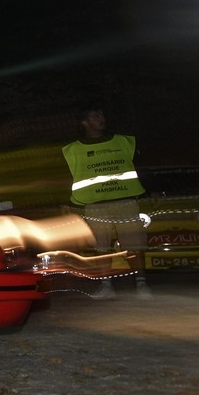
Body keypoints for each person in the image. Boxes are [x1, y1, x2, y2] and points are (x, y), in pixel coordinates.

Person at [62, 107, 151, 299]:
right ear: (84, 122)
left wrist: (150, 191)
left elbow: (139, 168)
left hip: (125, 201)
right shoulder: (73, 149)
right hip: (95, 204)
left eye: (102, 114)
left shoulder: (122, 141)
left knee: (134, 245)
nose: (101, 118)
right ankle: (106, 286)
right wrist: (66, 201)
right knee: (101, 248)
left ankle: (141, 286)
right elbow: (68, 177)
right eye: (95, 116)